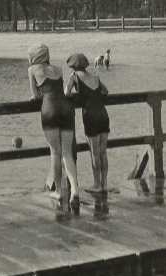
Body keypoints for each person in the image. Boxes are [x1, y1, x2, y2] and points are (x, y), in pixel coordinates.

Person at [27, 44, 80, 215]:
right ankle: (75, 191)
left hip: (49, 108)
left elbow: (36, 95)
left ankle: (58, 191)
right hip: (66, 108)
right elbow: (60, 89)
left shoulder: (32, 69)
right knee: (67, 153)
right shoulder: (57, 68)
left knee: (55, 153)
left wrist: (41, 95)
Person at [66, 53, 110, 195]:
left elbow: (66, 93)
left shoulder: (74, 77)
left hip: (90, 116)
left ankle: (97, 184)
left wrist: (77, 94)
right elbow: (105, 90)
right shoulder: (95, 77)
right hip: (103, 114)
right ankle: (104, 184)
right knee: (103, 152)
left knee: (95, 153)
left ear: (73, 66)